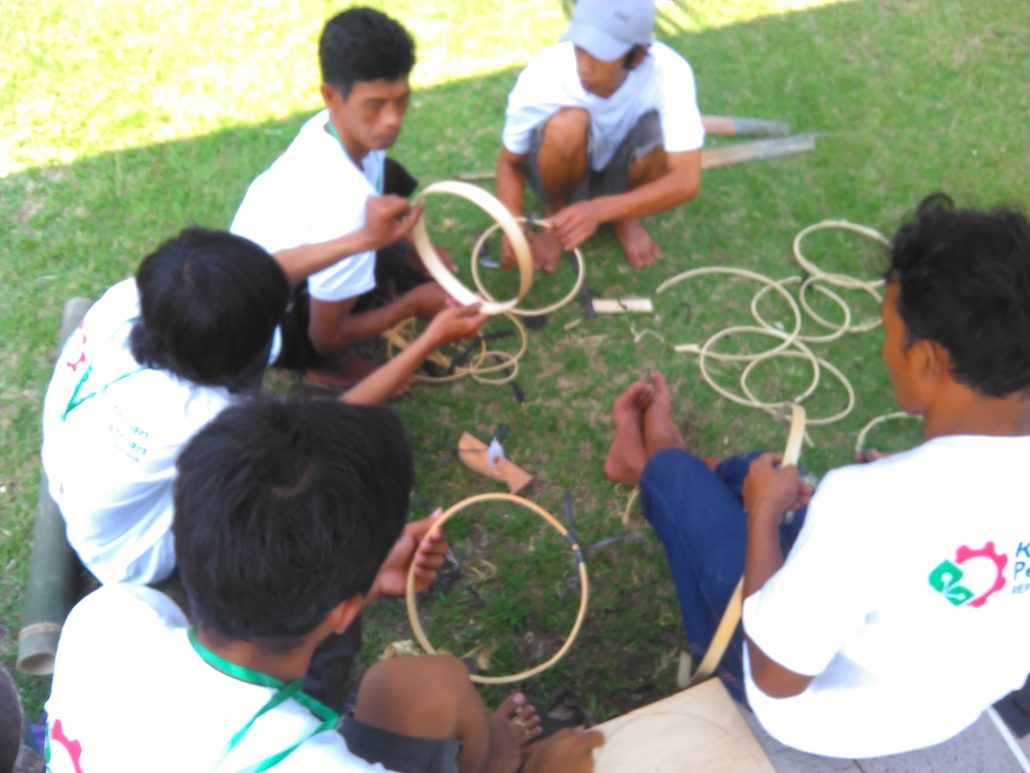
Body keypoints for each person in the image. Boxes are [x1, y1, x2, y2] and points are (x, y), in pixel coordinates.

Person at [603, 194, 1030, 758]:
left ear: (927, 360)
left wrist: (761, 520)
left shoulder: (869, 505)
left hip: (822, 722)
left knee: (715, 490)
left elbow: (777, 676)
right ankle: (698, 470)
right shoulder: (884, 501)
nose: (883, 349)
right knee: (776, 477)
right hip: (943, 707)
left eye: (886, 331)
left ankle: (654, 464)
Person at [44, 396, 603, 772]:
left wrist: (354, 587)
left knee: (422, 685)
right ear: (342, 611)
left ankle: (497, 752)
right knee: (427, 688)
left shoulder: (108, 623)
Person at [40, 228, 486, 585]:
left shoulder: (133, 300)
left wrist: (366, 236)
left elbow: (263, 277)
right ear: (237, 358)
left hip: (73, 469)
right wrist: (428, 339)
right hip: (129, 552)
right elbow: (333, 418)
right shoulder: (207, 419)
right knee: (294, 487)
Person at [232, 7, 456, 389]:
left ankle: (368, 289)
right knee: (337, 318)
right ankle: (327, 367)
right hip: (263, 323)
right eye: (375, 104)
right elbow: (326, 335)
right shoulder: (345, 205)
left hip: (258, 272)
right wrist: (411, 306)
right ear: (331, 96)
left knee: (391, 194)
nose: (392, 120)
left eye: (401, 99)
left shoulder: (329, 127)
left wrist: (418, 248)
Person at [495, 0, 704, 272]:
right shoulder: (546, 73)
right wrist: (514, 225)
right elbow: (509, 162)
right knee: (567, 125)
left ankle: (626, 218)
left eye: (600, 55)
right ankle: (556, 216)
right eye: (580, 48)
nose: (584, 66)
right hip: (563, 166)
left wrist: (600, 210)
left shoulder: (670, 73)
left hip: (622, 172)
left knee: (663, 134)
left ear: (639, 55)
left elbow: (686, 180)